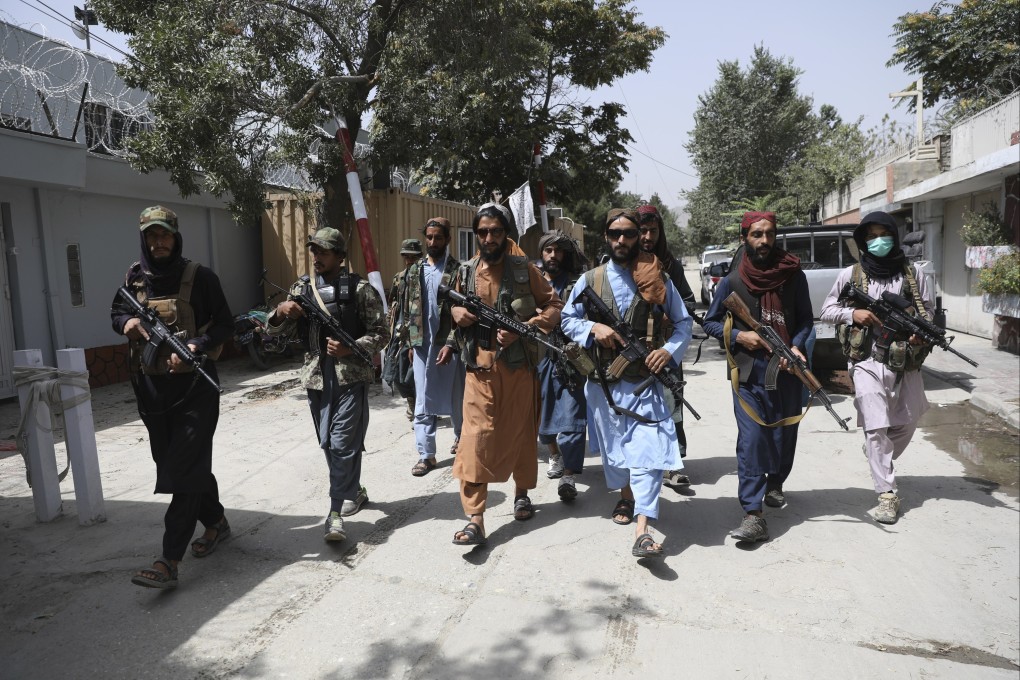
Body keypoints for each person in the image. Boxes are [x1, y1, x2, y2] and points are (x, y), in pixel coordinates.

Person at [112, 205, 233, 589]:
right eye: (151, 235)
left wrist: (196, 344)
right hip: (152, 392)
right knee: (175, 464)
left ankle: (169, 560)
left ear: (175, 237)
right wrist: (126, 323)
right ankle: (215, 521)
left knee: (181, 471)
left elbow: (226, 323)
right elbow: (116, 311)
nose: (158, 242)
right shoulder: (135, 277)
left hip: (196, 391)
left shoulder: (200, 277)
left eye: (164, 235)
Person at [562, 209, 693, 559]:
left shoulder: (657, 277)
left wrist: (668, 352)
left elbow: (682, 323)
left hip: (644, 381)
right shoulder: (590, 279)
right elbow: (566, 319)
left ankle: (643, 528)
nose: (622, 240)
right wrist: (593, 328)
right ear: (606, 236)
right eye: (615, 233)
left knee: (648, 452)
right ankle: (625, 496)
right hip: (603, 382)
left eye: (629, 234)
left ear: (639, 236)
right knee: (616, 453)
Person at [449, 203, 563, 546]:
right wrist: (456, 311)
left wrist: (525, 328)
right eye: (482, 231)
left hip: (517, 369)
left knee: (520, 434)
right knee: (475, 440)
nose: (488, 237)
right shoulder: (466, 271)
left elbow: (554, 306)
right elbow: (448, 308)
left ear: (505, 233)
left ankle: (522, 494)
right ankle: (476, 517)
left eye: (495, 231)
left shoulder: (523, 268)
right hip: (478, 370)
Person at [265, 227, 388, 542]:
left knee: (342, 443)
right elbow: (274, 333)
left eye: (324, 251)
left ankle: (334, 514)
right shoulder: (302, 289)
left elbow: (382, 333)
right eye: (314, 251)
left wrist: (352, 347)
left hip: (351, 376)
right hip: (317, 378)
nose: (317, 257)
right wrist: (280, 312)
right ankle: (354, 490)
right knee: (328, 443)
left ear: (340, 256)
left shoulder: (360, 290)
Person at [702, 212, 813, 544]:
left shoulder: (794, 277)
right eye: (756, 235)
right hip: (749, 374)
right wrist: (739, 337)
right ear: (744, 239)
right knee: (752, 440)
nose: (764, 241)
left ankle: (775, 481)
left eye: (769, 234)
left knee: (783, 437)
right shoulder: (731, 282)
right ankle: (753, 513)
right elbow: (710, 323)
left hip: (789, 371)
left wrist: (796, 346)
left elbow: (807, 321)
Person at [819, 211, 933, 524]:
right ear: (862, 241)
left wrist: (920, 331)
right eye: (871, 236)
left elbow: (929, 312)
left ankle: (877, 455)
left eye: (884, 234)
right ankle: (887, 493)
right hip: (866, 360)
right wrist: (851, 315)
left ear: (894, 237)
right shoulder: (851, 275)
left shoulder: (913, 274)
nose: (878, 241)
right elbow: (827, 310)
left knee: (908, 420)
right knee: (876, 425)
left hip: (904, 361)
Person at [636, 204, 698, 489]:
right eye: (642, 230)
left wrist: (668, 317)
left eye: (652, 230)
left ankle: (674, 464)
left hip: (666, 348)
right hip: (632, 350)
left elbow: (687, 301)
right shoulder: (624, 262)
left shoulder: (670, 264)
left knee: (672, 406)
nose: (647, 236)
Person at [400, 217, 465, 476]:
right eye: (429, 237)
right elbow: (406, 309)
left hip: (450, 344)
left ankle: (462, 440)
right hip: (421, 345)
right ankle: (426, 455)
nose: (432, 242)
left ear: (447, 239)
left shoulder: (459, 270)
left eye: (438, 237)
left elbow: (464, 311)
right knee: (422, 400)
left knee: (457, 397)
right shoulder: (414, 271)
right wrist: (408, 341)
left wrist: (451, 344)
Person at [536, 230, 588, 500]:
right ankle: (554, 455)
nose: (553, 255)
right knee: (542, 419)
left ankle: (568, 475)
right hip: (538, 358)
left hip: (570, 361)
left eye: (558, 251)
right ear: (542, 254)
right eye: (548, 250)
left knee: (572, 419)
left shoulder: (576, 284)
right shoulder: (531, 282)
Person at [385, 239, 423, 422]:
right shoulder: (399, 277)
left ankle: (420, 407)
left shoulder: (424, 275)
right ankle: (412, 403)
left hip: (417, 331)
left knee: (413, 373)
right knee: (396, 373)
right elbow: (393, 300)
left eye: (412, 256)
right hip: (400, 332)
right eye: (406, 256)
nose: (409, 259)